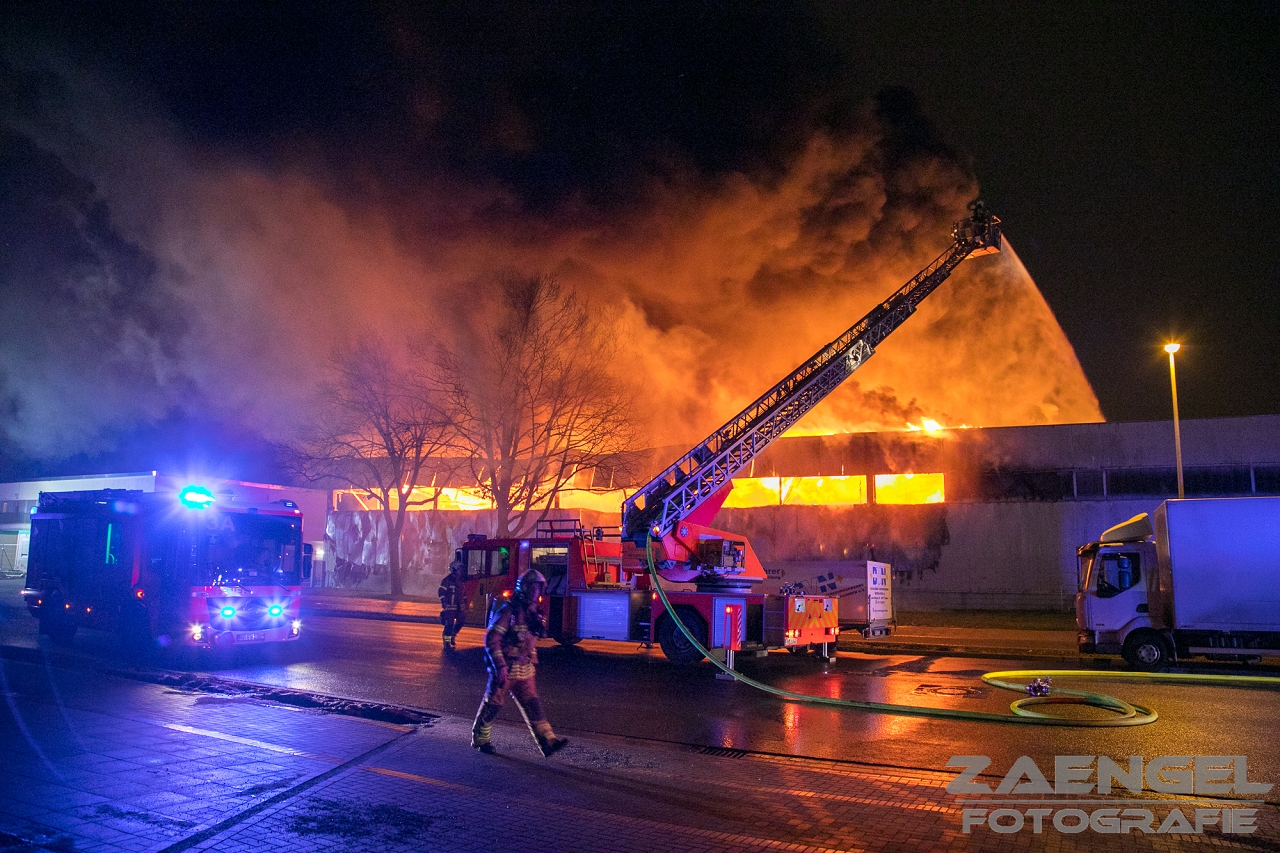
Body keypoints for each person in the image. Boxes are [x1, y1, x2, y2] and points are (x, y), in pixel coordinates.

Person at [471, 568, 568, 757]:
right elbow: (492, 639)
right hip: (506, 668)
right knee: (494, 703)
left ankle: (548, 741)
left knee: (533, 704)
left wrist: (532, 660)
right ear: (523, 588)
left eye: (538, 588)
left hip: (525, 668)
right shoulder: (509, 611)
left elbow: (532, 640)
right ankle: (481, 740)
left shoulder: (534, 613)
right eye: (531, 587)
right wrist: (500, 666)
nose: (535, 592)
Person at [438, 557, 463, 649]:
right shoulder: (447, 580)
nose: (460, 571)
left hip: (459, 607)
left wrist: (465, 604)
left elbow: (463, 594)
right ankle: (447, 642)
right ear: (454, 569)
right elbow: (441, 591)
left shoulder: (459, 581)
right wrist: (444, 602)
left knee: (460, 622)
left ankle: (452, 636)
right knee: (449, 625)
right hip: (449, 607)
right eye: (459, 569)